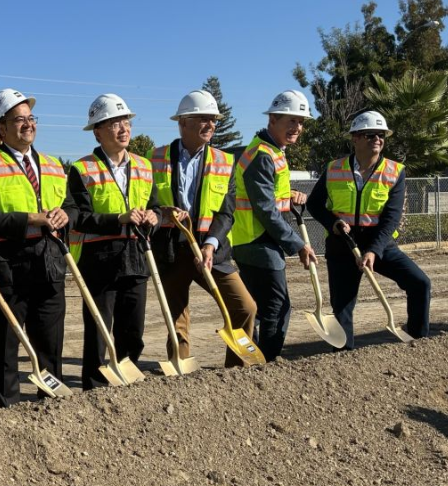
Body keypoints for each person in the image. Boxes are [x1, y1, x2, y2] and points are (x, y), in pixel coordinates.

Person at [0, 89, 76, 406]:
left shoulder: (54, 165)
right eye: (19, 120)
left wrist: (65, 213)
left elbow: (69, 205)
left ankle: (51, 401)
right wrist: (33, 218)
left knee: (50, 342)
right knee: (6, 343)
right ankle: (7, 409)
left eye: (31, 118)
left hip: (50, 261)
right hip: (7, 264)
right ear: (1, 128)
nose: (28, 124)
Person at [148, 90, 257, 367]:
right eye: (203, 119)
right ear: (183, 122)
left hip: (210, 252)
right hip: (171, 248)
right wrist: (162, 211)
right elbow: (145, 201)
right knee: (176, 320)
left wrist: (211, 244)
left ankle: (235, 369)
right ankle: (179, 371)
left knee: (244, 307)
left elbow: (226, 211)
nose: (211, 125)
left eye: (214, 120)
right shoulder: (154, 158)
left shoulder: (224, 161)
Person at [305, 111, 431, 349]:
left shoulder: (395, 171)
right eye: (371, 134)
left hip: (379, 243)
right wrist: (332, 223)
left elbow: (392, 218)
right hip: (342, 244)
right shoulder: (334, 169)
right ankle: (343, 355)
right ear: (355, 138)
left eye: (381, 135)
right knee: (343, 306)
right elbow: (314, 204)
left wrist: (374, 251)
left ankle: (418, 341)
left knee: (420, 283)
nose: (378, 139)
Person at [67, 94, 159, 389]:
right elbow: (79, 217)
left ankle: (127, 385)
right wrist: (118, 218)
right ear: (97, 131)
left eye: (126, 122)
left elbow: (155, 204)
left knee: (133, 331)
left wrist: (154, 216)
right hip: (99, 260)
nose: (124, 129)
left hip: (136, 256)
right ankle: (93, 391)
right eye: (114, 123)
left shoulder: (145, 166)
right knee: (98, 333)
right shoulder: (82, 169)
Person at [232, 90, 316, 361]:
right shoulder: (263, 154)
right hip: (257, 240)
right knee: (277, 307)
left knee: (252, 309)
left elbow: (267, 196)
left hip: (254, 239)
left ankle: (243, 360)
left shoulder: (272, 150)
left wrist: (288, 196)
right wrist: (297, 244)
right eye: (291, 120)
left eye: (301, 122)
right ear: (273, 118)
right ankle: (266, 362)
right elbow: (265, 209)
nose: (297, 127)